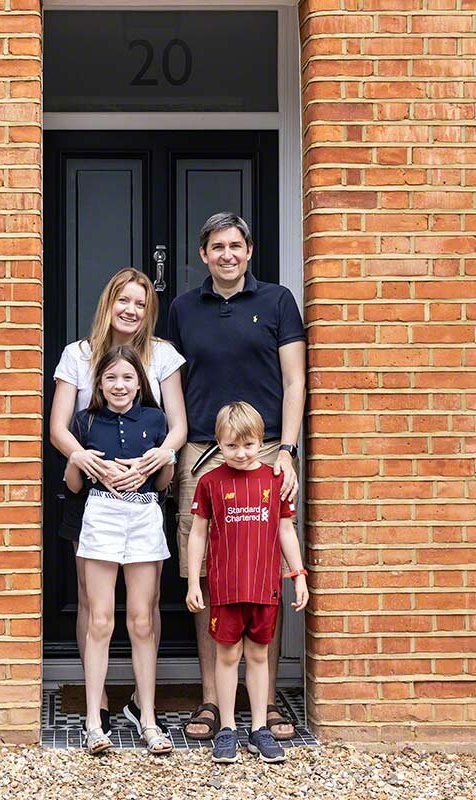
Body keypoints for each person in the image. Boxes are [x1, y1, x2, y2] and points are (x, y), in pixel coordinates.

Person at [168, 212, 307, 742]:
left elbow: (295, 381)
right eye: (216, 247)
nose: (227, 255)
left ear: (249, 251)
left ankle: (266, 705)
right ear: (203, 255)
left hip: (266, 449)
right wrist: (177, 447)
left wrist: (288, 451)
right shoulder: (182, 308)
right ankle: (211, 701)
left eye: (235, 245)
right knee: (203, 575)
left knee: (263, 567)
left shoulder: (276, 302)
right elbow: (173, 382)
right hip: (203, 450)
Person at [49, 268, 187, 733]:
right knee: (93, 602)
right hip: (90, 492)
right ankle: (98, 702)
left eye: (140, 303)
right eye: (123, 300)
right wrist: (87, 460)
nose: (130, 310)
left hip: (143, 492)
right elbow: (59, 427)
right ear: (108, 303)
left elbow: (178, 425)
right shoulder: (78, 354)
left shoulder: (163, 355)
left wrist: (158, 458)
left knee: (144, 611)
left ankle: (142, 704)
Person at [64, 346, 175, 756]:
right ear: (99, 383)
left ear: (139, 382)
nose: (119, 386)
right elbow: (73, 485)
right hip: (101, 514)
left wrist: (160, 459)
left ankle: (147, 717)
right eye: (110, 378)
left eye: (127, 378)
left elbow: (164, 483)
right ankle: (94, 721)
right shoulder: (85, 420)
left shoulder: (155, 419)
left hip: (144, 514)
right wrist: (82, 458)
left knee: (143, 620)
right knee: (100, 619)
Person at [185, 402, 309, 763]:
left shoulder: (275, 480)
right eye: (231, 446)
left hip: (264, 586)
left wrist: (298, 575)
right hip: (225, 589)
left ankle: (258, 729)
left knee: (257, 655)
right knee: (227, 657)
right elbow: (197, 535)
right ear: (218, 444)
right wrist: (195, 581)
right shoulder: (209, 482)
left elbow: (286, 531)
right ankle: (226, 729)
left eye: (249, 445)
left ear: (260, 441)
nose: (241, 453)